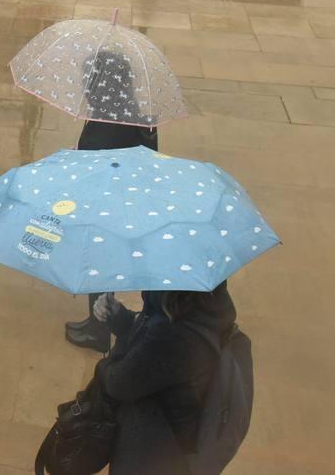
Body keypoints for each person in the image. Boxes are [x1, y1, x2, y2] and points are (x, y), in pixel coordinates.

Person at [65, 50, 159, 354]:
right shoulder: (131, 113)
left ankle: (99, 328)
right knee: (99, 264)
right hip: (122, 205)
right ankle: (96, 322)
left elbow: (94, 169)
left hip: (107, 208)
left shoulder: (107, 121)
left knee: (98, 264)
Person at [93, 283, 239, 475]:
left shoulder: (174, 333)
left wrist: (103, 367)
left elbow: (118, 383)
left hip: (154, 451)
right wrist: (121, 318)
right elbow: (148, 337)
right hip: (179, 438)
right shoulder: (202, 305)